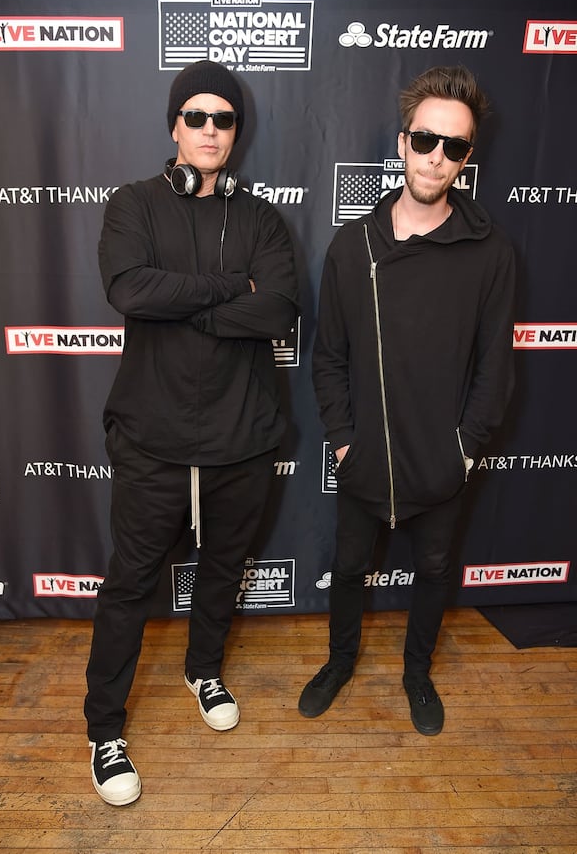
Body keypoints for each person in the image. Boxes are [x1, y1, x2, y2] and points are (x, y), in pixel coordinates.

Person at [84, 59, 298, 805]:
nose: (210, 130)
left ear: (236, 133)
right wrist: (223, 290)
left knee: (223, 564)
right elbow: (129, 288)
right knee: (131, 583)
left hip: (243, 437)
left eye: (224, 119)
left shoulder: (264, 219)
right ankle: (103, 726)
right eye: (196, 117)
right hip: (152, 436)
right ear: (175, 126)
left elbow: (275, 310)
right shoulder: (133, 203)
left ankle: (202, 667)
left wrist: (189, 303)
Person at [299, 65, 515, 736]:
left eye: (453, 147)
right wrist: (343, 439)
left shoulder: (490, 252)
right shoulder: (351, 244)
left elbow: (496, 366)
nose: (436, 158)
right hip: (365, 459)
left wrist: (464, 449)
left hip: (441, 465)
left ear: (467, 158)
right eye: (426, 140)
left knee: (433, 570)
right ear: (402, 143)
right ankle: (340, 661)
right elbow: (327, 356)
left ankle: (416, 673)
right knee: (349, 566)